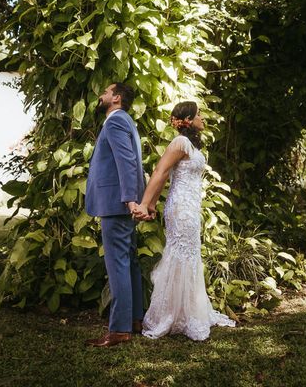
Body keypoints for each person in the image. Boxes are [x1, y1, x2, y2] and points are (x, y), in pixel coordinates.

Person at [132, 101, 236, 341]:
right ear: (188, 119)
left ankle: (187, 312)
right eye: (199, 114)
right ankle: (168, 315)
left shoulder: (191, 144)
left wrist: (150, 205)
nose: (203, 118)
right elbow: (160, 172)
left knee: (189, 257)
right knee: (180, 256)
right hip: (181, 210)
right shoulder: (180, 142)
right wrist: (145, 204)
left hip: (190, 208)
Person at [84, 83, 145, 348]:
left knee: (117, 263)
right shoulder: (126, 121)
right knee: (128, 261)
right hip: (121, 203)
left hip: (116, 204)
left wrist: (130, 199)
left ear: (116, 98)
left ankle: (119, 329)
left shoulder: (115, 122)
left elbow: (126, 160)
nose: (102, 95)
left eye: (106, 92)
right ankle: (134, 320)